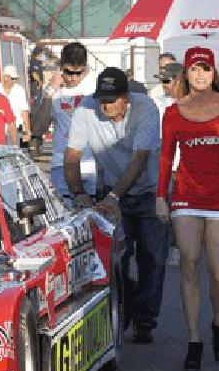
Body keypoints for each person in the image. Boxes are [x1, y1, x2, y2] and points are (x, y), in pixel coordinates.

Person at [155, 46, 219, 371]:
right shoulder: (173, 112)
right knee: (190, 265)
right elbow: (166, 157)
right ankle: (194, 339)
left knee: (218, 272)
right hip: (185, 197)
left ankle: (218, 324)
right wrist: (160, 196)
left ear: (214, 73)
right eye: (194, 70)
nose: (199, 75)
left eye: (205, 69)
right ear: (185, 74)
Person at [64, 67, 167, 345]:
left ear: (127, 98)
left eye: (113, 99)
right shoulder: (86, 108)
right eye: (102, 99)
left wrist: (115, 198)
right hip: (109, 189)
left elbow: (140, 158)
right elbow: (72, 155)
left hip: (147, 191)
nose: (106, 105)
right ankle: (124, 306)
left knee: (153, 258)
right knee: (115, 259)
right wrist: (77, 193)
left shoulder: (146, 108)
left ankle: (145, 319)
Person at [32, 42, 98, 199]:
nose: (73, 78)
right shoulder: (53, 88)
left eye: (79, 73)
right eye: (68, 72)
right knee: (67, 218)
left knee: (96, 218)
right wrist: (49, 92)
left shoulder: (96, 84)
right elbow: (39, 128)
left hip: (92, 164)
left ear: (85, 68)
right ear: (61, 67)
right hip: (61, 165)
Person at [152, 61, 186, 267]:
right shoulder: (156, 101)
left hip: (187, 165)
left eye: (167, 81)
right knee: (166, 207)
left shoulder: (192, 104)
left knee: (181, 210)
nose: (164, 85)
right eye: (162, 81)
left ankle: (180, 245)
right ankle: (171, 247)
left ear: (179, 81)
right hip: (165, 163)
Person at [0, 65, 31, 147]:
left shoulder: (19, 89)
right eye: (13, 78)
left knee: (17, 154)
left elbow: (24, 112)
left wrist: (26, 131)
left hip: (17, 129)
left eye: (16, 79)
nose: (15, 81)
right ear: (6, 77)